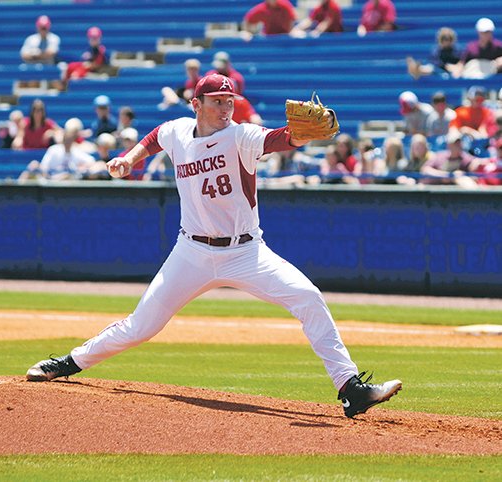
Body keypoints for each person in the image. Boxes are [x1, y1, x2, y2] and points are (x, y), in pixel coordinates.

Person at [26, 73, 402, 419]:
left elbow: (279, 138)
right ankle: (68, 363)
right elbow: (156, 135)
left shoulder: (240, 136)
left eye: (230, 100)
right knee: (140, 326)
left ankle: (350, 389)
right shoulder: (178, 131)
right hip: (191, 252)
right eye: (218, 101)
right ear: (197, 105)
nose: (226, 108)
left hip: (246, 252)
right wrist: (129, 158)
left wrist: (300, 136)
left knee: (308, 296)